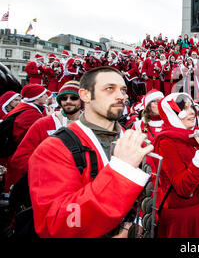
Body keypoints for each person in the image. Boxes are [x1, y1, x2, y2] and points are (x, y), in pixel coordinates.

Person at [28, 66, 153, 237]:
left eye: (123, 90)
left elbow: (149, 199)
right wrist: (122, 171)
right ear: (85, 95)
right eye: (110, 88)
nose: (121, 96)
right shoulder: (53, 148)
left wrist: (137, 223)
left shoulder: (131, 138)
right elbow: (58, 225)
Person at [152, 92, 199, 238]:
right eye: (184, 108)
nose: (192, 112)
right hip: (182, 216)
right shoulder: (166, 141)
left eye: (192, 107)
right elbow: (183, 188)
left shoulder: (194, 135)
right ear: (171, 113)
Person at [9, 81, 83, 187]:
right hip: (49, 185)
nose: (68, 101)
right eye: (64, 98)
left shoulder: (91, 125)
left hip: (81, 186)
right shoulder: (44, 123)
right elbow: (20, 158)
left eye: (73, 98)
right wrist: (46, 169)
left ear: (82, 100)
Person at [2, 84, 49, 192]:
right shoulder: (31, 114)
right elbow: (28, 140)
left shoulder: (24, 108)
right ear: (37, 97)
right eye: (43, 94)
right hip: (20, 157)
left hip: (14, 156)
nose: (46, 96)